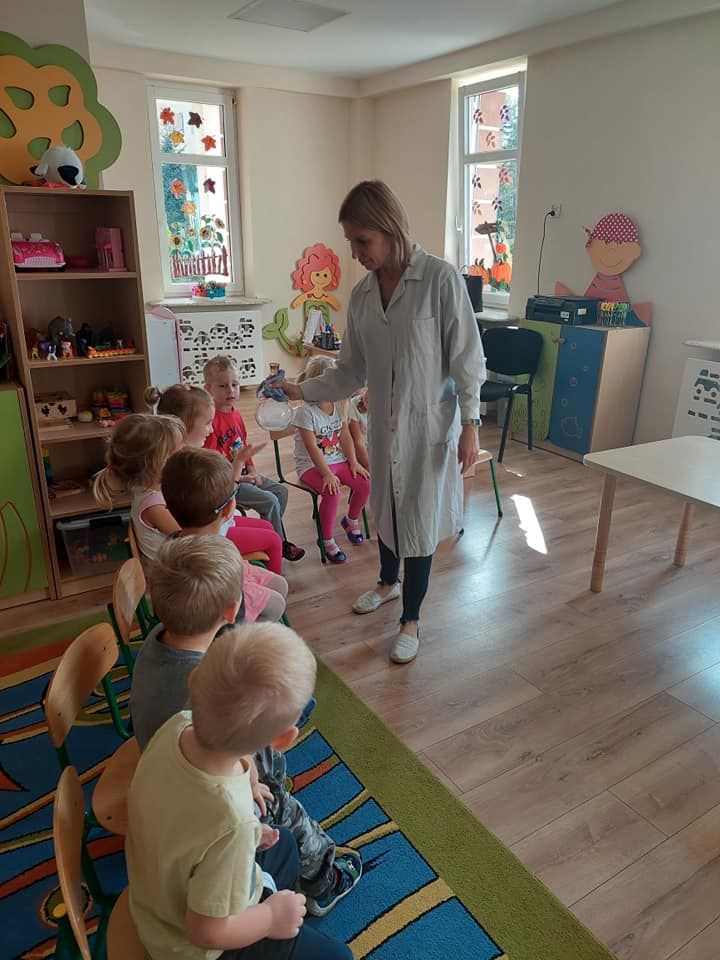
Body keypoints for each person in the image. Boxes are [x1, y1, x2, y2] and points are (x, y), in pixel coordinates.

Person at [274, 180, 485, 664]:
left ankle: (412, 618)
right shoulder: (363, 296)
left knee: (418, 518)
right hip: (383, 426)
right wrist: (302, 389)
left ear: (390, 229)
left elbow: (468, 360)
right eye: (351, 241)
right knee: (386, 507)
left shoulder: (439, 280)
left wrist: (472, 424)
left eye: (361, 240)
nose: (355, 252)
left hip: (428, 427)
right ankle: (388, 583)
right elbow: (351, 371)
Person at [130, 536, 360, 915]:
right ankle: (323, 879)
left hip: (163, 764)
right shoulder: (205, 687)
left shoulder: (160, 639)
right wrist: (252, 778)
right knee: (276, 799)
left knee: (284, 714)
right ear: (232, 609)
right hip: (198, 796)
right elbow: (237, 771)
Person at [126, 621, 354, 960]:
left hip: (157, 890)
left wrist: (247, 825)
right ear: (283, 740)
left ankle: (276, 913)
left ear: (194, 680)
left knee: (284, 842)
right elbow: (204, 932)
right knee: (339, 957)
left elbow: (192, 821)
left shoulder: (177, 725)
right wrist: (269, 919)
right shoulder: (232, 824)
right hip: (189, 945)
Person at [145, 382, 284, 573]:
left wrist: (239, 464)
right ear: (183, 425)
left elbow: (220, 497)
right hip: (209, 537)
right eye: (207, 423)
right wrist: (238, 466)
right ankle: (265, 583)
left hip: (213, 527)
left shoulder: (181, 460)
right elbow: (220, 503)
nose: (211, 430)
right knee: (274, 540)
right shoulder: (188, 466)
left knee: (267, 526)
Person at [161, 448, 289, 624]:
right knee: (277, 604)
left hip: (224, 576)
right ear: (229, 509)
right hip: (222, 604)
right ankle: (257, 635)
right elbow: (230, 601)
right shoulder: (213, 554)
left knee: (280, 584)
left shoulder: (173, 542)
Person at [203, 355, 305, 562]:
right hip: (225, 483)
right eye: (222, 386)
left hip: (243, 475)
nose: (230, 391)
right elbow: (213, 466)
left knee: (281, 492)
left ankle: (269, 536)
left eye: (234, 385)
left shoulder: (236, 415)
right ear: (208, 389)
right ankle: (278, 544)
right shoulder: (209, 422)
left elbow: (243, 448)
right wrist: (241, 477)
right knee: (270, 501)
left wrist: (252, 471)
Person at [292, 357, 370, 564]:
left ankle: (351, 520)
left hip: (337, 460)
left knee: (365, 483)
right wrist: (326, 474)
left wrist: (353, 462)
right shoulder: (305, 412)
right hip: (311, 466)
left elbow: (345, 436)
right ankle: (326, 540)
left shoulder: (339, 404)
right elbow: (311, 447)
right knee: (332, 493)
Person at [92, 413, 186, 560]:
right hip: (169, 570)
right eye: (174, 454)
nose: (182, 458)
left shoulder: (143, 488)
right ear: (150, 464)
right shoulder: (154, 507)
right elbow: (191, 535)